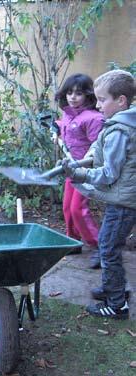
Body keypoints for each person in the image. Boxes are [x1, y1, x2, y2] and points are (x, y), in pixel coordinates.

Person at [62, 69, 136, 319]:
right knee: (108, 244)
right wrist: (78, 165)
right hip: (123, 199)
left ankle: (117, 304)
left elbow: (108, 173)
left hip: (124, 202)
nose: (99, 104)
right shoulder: (120, 123)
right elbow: (96, 154)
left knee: (108, 247)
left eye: (103, 99)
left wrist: (79, 175)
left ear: (121, 101)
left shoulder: (119, 130)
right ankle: (111, 288)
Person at [55, 74, 104, 268]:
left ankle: (99, 246)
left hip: (86, 170)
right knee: (67, 207)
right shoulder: (69, 113)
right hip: (71, 168)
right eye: (69, 93)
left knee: (78, 209)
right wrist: (57, 127)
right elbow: (67, 126)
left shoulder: (94, 118)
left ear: (88, 95)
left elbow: (97, 146)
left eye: (78, 93)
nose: (73, 97)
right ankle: (73, 241)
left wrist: (86, 166)